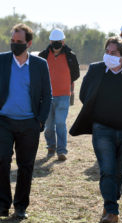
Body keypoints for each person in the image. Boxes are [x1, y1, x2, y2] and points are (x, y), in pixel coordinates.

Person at [70, 36, 122, 223]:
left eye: (113, 53)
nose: (109, 56)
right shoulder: (96, 70)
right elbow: (83, 93)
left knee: (120, 172)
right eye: (107, 52)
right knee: (107, 170)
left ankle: (110, 201)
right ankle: (112, 211)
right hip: (102, 128)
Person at [0, 23, 52, 219]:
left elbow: (47, 96)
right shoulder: (0, 61)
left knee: (26, 165)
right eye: (12, 41)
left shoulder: (40, 65)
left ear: (28, 43)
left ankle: (20, 207)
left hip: (29, 124)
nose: (15, 44)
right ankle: (2, 205)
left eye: (19, 42)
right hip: (2, 122)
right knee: (2, 161)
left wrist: (39, 121)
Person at [38, 28, 80, 161]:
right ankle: (51, 146)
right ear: (50, 41)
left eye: (59, 41)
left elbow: (76, 74)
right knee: (49, 125)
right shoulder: (43, 55)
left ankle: (61, 150)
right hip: (46, 96)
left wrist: (66, 83)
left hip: (63, 95)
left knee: (60, 123)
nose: (56, 44)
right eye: (54, 41)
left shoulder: (70, 56)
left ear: (63, 41)